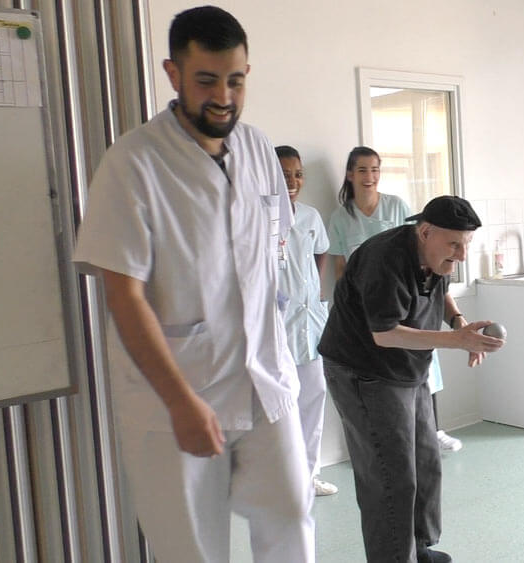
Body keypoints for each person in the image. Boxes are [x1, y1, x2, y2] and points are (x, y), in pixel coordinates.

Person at [72, 7, 313, 562]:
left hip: (263, 384)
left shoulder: (258, 149)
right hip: (176, 395)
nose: (223, 96)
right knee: (192, 549)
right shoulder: (133, 163)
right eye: (206, 80)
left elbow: (271, 246)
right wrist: (181, 402)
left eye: (236, 80)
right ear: (173, 73)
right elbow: (123, 295)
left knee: (291, 523)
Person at [319, 195, 504, 563]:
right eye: (454, 245)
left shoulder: (434, 255)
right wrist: (456, 341)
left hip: (408, 369)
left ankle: (417, 550)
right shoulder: (383, 259)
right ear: (424, 231)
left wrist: (458, 321)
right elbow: (384, 333)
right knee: (390, 478)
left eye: (465, 245)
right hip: (364, 373)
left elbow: (441, 288)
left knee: (425, 461)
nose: (461, 255)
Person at [327, 146, 464, 452]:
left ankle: (431, 428)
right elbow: (341, 270)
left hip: (408, 301)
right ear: (350, 175)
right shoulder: (341, 218)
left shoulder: (396, 207)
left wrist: (456, 320)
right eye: (362, 170)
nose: (369, 176)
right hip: (369, 308)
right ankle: (383, 444)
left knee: (422, 364)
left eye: (375, 169)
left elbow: (429, 262)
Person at [275, 145, 339, 497]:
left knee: (314, 400)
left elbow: (322, 250)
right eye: (284, 174)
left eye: (297, 174)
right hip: (278, 328)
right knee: (280, 407)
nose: (293, 181)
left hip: (311, 323)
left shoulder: (311, 217)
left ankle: (308, 476)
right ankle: (282, 481)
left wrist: (314, 293)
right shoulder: (259, 220)